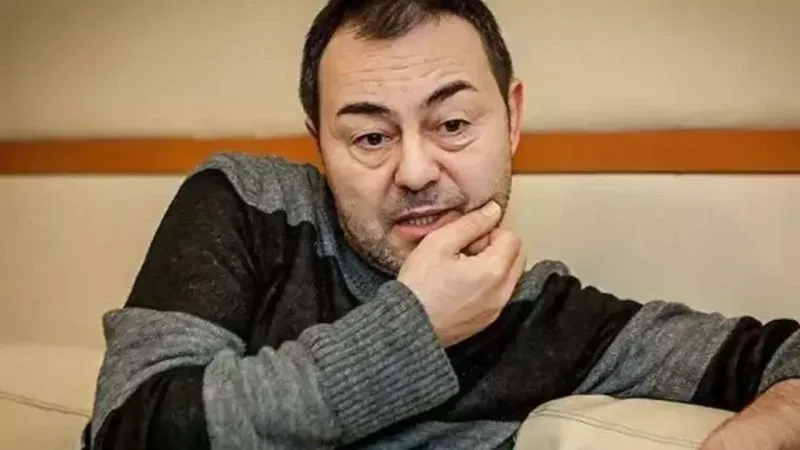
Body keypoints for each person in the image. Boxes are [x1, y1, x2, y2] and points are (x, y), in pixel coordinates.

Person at [82, 1, 800, 449]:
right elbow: (128, 428)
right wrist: (414, 327)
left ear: (512, 119)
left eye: (453, 124)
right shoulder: (247, 205)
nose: (417, 171)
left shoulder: (547, 320)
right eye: (371, 137)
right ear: (320, 143)